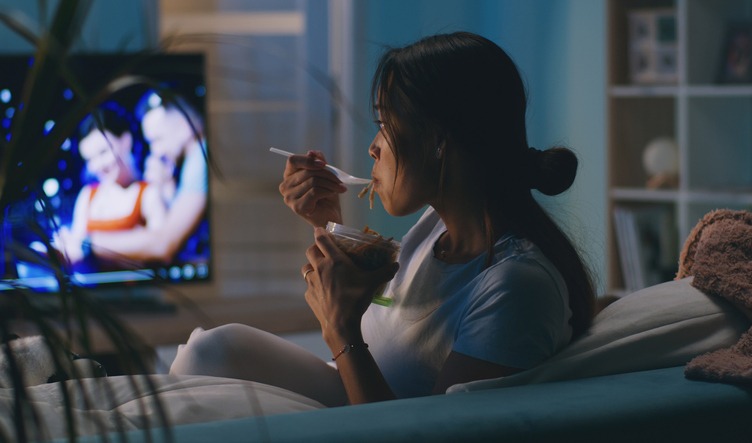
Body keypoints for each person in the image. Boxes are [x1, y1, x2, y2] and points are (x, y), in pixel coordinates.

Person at [169, 32, 596, 407]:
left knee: (204, 361)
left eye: (384, 124)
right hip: (360, 400)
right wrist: (328, 225)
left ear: (439, 143)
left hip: (380, 424)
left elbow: (435, 434)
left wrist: (340, 331)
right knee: (209, 348)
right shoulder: (436, 229)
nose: (373, 147)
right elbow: (384, 326)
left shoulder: (515, 286)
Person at [88, 92, 208, 265]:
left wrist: (88, 244)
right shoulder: (192, 161)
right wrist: (166, 187)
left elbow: (165, 245)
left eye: (157, 140)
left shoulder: (200, 158)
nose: (155, 151)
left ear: (184, 125)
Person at [54, 106, 166, 268]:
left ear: (126, 141)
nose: (97, 166)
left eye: (103, 152)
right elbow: (75, 252)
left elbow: (161, 249)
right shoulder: (88, 195)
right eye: (90, 159)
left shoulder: (149, 193)